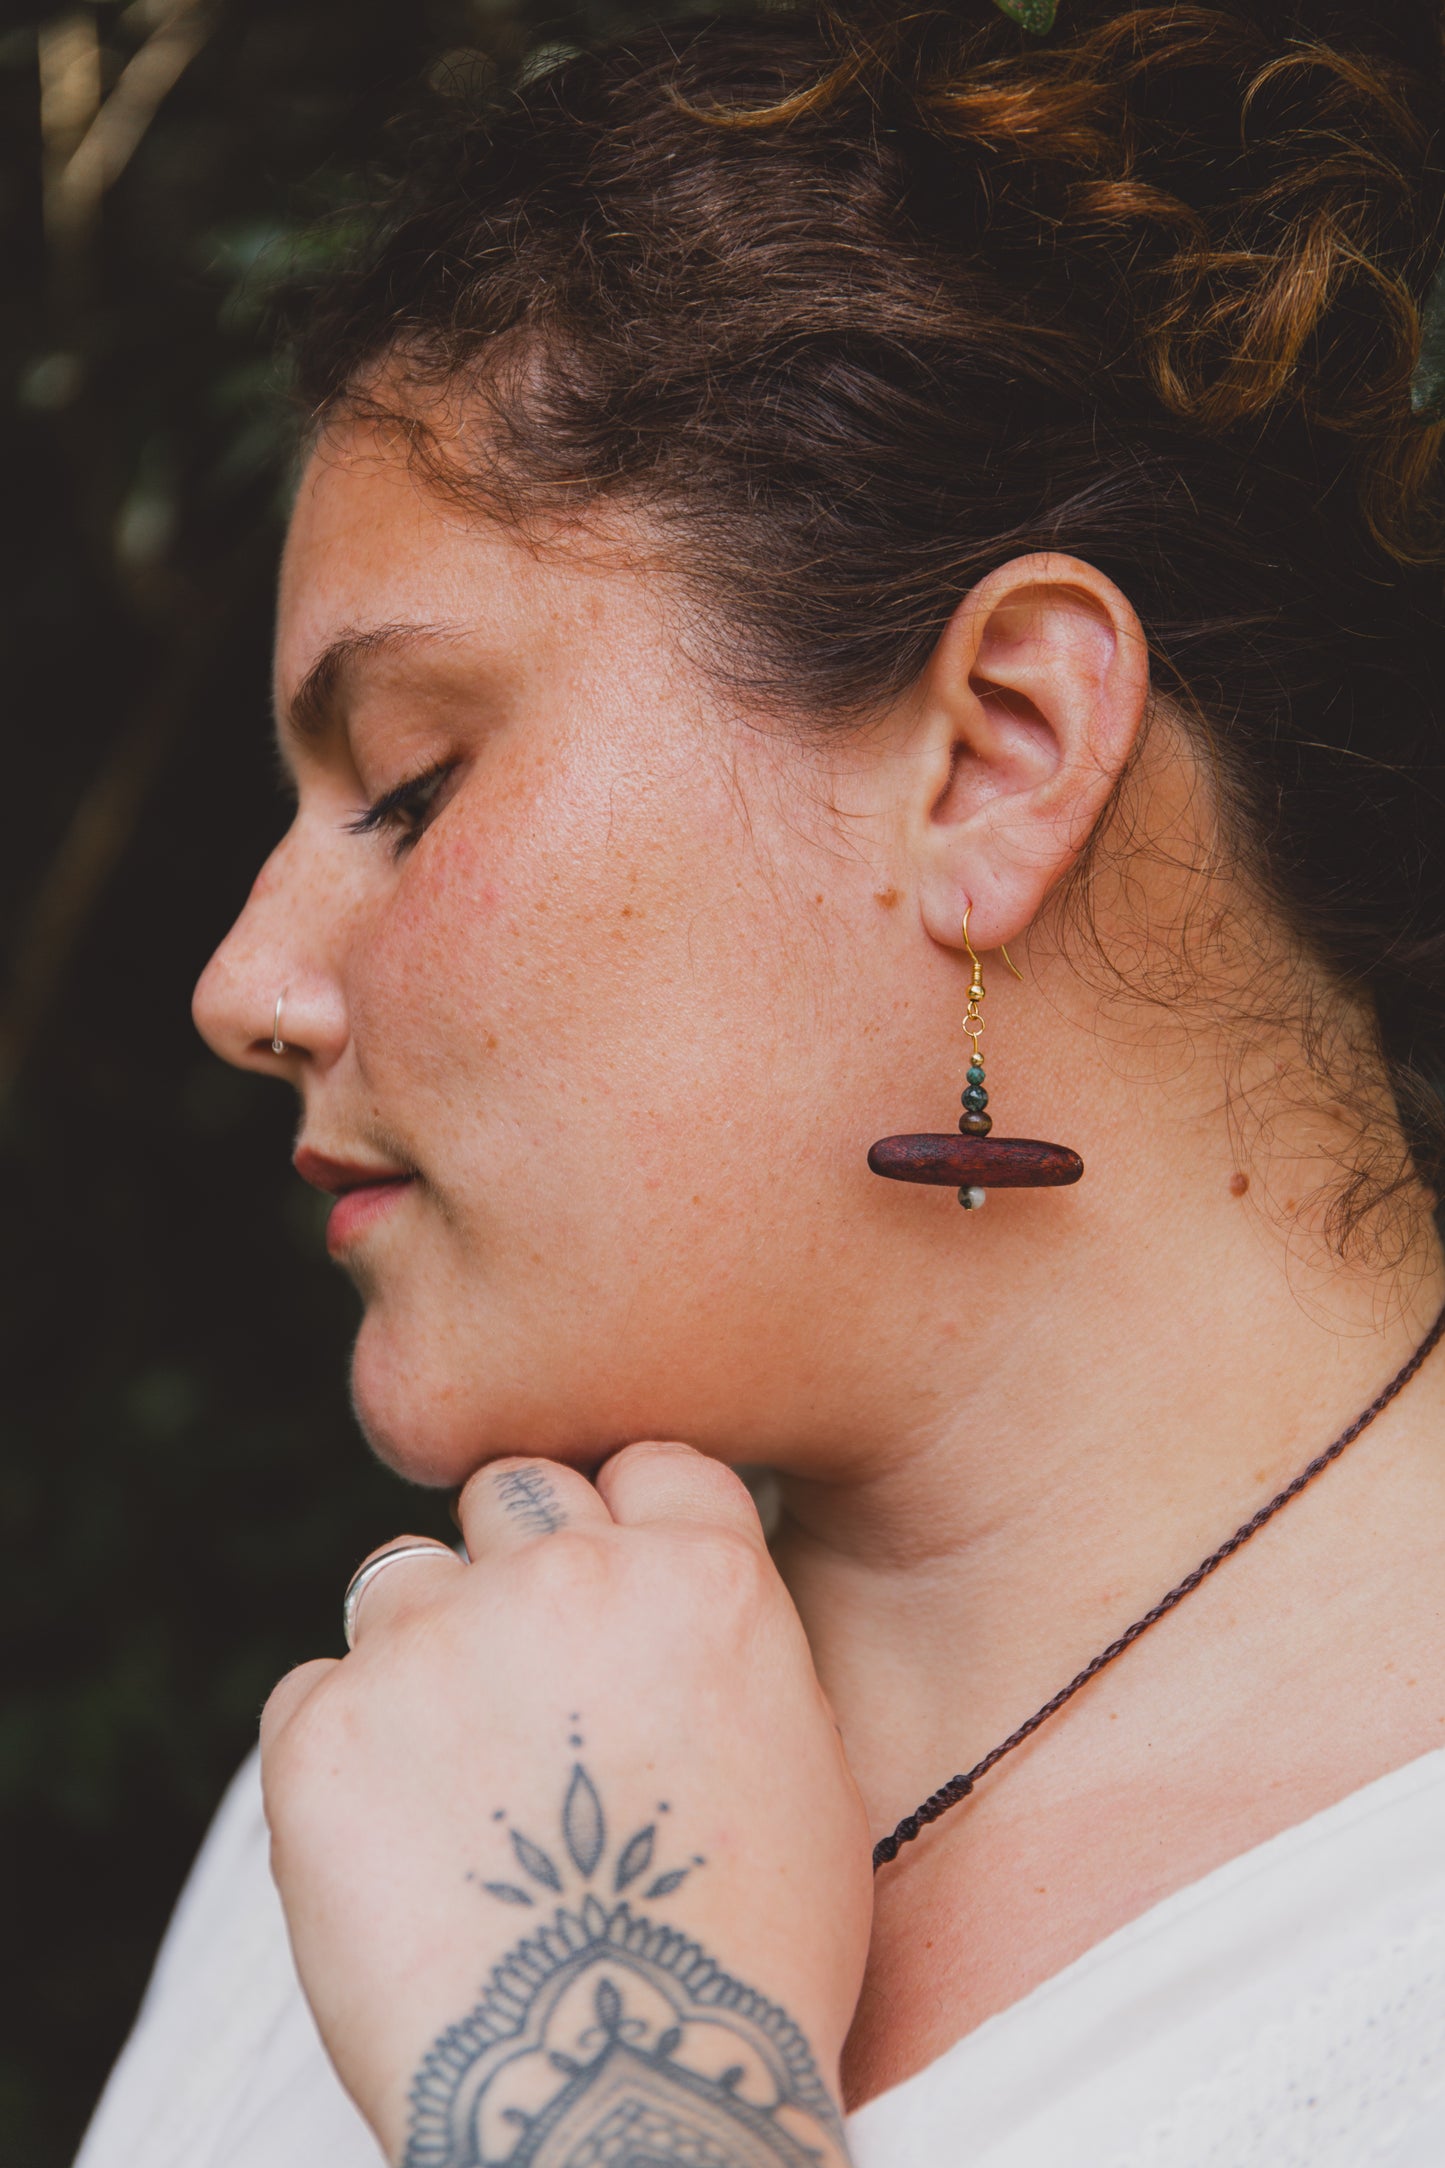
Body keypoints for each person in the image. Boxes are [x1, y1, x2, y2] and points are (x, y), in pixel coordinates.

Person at [76, 4, 1445, 2164]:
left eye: (412, 789)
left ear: (996, 755)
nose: (248, 985)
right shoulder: (403, 1773)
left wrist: (608, 2078)